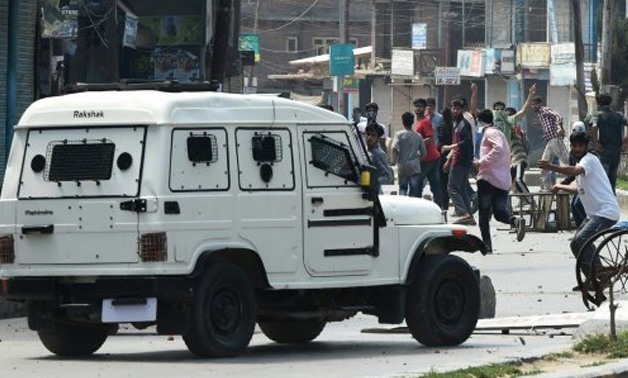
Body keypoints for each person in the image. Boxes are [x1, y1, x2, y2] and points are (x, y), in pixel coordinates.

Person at [538, 131, 620, 290]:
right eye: (574, 145)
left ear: (586, 146)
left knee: (582, 239)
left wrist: (551, 167)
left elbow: (574, 172)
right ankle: (594, 277)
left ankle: (599, 275)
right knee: (576, 243)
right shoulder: (582, 162)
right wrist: (560, 186)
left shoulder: (589, 160)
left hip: (606, 213)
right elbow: (578, 188)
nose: (576, 149)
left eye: (580, 145)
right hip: (594, 214)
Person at [473, 109, 518, 252]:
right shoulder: (499, 133)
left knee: (484, 214)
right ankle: (515, 221)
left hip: (488, 178)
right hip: (501, 180)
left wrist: (482, 162)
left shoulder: (490, 132)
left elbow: (497, 149)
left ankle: (487, 245)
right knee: (499, 213)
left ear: (481, 121)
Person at [442, 99, 475, 225]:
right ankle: (469, 216)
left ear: (462, 110)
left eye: (458, 109)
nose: (455, 111)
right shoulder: (456, 123)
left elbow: (465, 142)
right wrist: (449, 161)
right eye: (453, 108)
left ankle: (463, 213)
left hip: (461, 161)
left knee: (452, 188)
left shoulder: (463, 124)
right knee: (461, 189)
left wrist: (449, 147)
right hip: (458, 160)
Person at [591, 92, 628, 193]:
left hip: (604, 151)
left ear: (598, 104)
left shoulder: (598, 115)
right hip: (616, 151)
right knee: (612, 179)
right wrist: (626, 141)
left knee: (603, 180)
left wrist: (596, 142)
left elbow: (594, 126)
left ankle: (604, 203)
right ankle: (612, 202)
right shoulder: (619, 116)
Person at [530, 95, 568, 190]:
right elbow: (549, 124)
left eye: (535, 104)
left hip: (554, 139)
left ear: (539, 104)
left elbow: (557, 116)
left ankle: (576, 176)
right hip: (549, 141)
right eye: (532, 104)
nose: (533, 106)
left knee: (566, 161)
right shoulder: (540, 114)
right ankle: (546, 187)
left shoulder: (544, 110)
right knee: (544, 163)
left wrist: (560, 128)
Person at [414, 98, 442, 208]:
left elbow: (430, 139)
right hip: (431, 157)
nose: (417, 108)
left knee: (417, 183)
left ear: (424, 108)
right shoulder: (419, 122)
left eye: (420, 106)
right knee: (435, 185)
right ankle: (439, 207)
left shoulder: (425, 122)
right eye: (416, 106)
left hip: (428, 158)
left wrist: (416, 146)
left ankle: (416, 207)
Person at [391, 112, 426, 197]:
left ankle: (402, 206)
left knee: (402, 188)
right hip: (414, 167)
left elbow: (394, 148)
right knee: (414, 190)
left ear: (403, 122)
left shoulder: (398, 134)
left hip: (402, 166)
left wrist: (394, 161)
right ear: (413, 122)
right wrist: (417, 159)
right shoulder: (418, 136)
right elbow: (424, 153)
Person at [365, 123, 394, 189]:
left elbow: (387, 177)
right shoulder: (365, 150)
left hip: (374, 192)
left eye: (373, 135)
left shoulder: (379, 154)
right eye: (368, 134)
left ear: (378, 138)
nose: (369, 138)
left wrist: (373, 181)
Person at [438, 107, 453, 211]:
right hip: (453, 153)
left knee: (443, 183)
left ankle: (444, 205)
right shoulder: (454, 125)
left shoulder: (442, 126)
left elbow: (440, 141)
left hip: (444, 155)